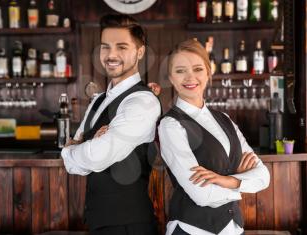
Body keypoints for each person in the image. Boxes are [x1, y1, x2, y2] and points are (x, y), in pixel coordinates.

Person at [61, 14, 161, 235]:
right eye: (105, 46)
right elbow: (75, 165)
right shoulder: (98, 100)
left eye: (122, 47)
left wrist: (72, 149)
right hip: (99, 221)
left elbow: (97, 155)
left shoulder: (142, 101)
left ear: (140, 52)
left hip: (129, 225)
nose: (111, 54)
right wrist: (83, 150)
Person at [158, 39, 270, 235]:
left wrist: (225, 180)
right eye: (180, 70)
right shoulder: (170, 125)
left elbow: (263, 177)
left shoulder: (224, 119)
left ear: (208, 73)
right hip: (191, 230)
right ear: (171, 78)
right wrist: (241, 181)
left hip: (234, 229)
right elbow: (202, 195)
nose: (190, 77)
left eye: (198, 69)